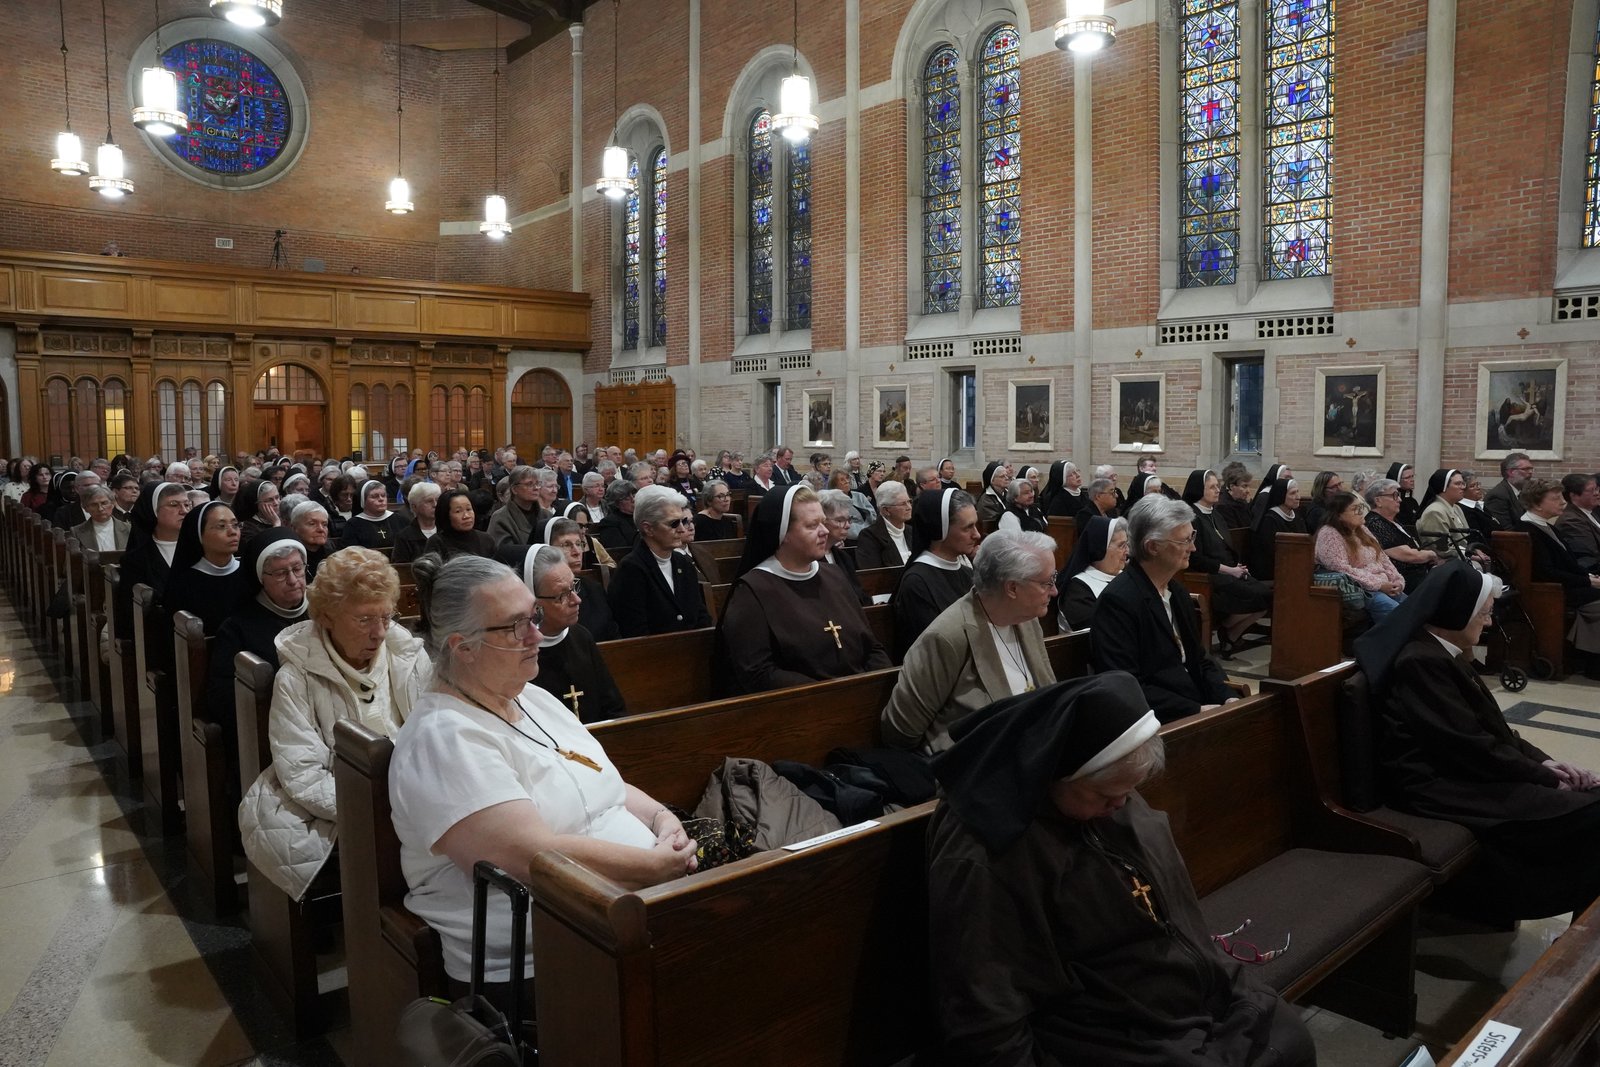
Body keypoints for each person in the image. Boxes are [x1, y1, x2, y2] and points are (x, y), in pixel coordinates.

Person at [927, 674, 1316, 1066]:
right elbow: (983, 1004)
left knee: (1289, 1038)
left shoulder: (1101, 797)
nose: (1120, 804)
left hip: (1181, 989)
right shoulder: (983, 856)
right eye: (1105, 796)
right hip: (1100, 1023)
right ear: (1054, 772)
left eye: (1127, 792)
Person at [387, 555, 695, 1003]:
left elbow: (603, 783)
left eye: (533, 614)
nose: (538, 632)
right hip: (546, 952)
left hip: (621, 911)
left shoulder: (531, 697)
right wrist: (653, 868)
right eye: (516, 625)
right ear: (462, 646)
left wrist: (665, 822)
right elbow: (528, 856)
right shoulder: (444, 739)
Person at [1355, 562, 1600, 919]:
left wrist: (1547, 763)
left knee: (1590, 800)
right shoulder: (1420, 661)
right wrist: (1546, 778)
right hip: (1440, 787)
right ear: (1457, 611)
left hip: (1463, 771)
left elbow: (1494, 731)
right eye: (1484, 614)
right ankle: (1577, 950)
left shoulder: (1437, 651)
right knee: (1590, 813)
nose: (1488, 623)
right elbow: (1467, 746)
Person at [239, 547, 432, 903]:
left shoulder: (408, 656)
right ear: (326, 617)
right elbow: (301, 772)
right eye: (363, 620)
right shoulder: (296, 678)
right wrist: (376, 809)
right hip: (343, 801)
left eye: (386, 617)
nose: (379, 633)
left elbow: (437, 737)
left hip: (414, 795)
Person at [881, 531, 1058, 754]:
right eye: (1047, 582)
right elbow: (900, 731)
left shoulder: (1026, 619)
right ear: (1012, 588)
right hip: (974, 768)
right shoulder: (947, 637)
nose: (1054, 590)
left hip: (1031, 750)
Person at [717, 486, 890, 693]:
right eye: (812, 525)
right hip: (804, 709)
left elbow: (871, 646)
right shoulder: (752, 591)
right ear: (782, 534)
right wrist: (834, 695)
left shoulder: (834, 575)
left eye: (823, 522)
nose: (824, 531)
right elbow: (759, 672)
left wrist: (879, 683)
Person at [1091, 496, 1236, 722]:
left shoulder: (1177, 593)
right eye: (1184, 541)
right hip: (1156, 721)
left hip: (1194, 710)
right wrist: (1194, 711)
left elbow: (1199, 660)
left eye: (1192, 537)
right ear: (1152, 547)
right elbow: (1127, 684)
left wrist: (1227, 697)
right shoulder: (1119, 602)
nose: (1193, 547)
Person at [205, 531, 309, 786]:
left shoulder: (326, 610)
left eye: (297, 568)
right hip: (272, 734)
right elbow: (222, 696)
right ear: (261, 578)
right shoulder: (238, 627)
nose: (294, 580)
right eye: (281, 573)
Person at [522, 545, 626, 722]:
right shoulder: (520, 652)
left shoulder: (581, 636)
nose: (577, 600)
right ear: (532, 602)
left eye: (574, 587)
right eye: (562, 596)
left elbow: (614, 707)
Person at [1516, 479, 1600, 678]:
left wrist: (1588, 576)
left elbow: (1568, 563)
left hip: (1565, 586)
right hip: (1551, 591)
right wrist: (1588, 581)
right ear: (1537, 504)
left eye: (1562, 497)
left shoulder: (1548, 527)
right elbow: (1547, 572)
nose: (1563, 502)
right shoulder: (1527, 531)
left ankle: (1586, 657)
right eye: (1556, 498)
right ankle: (1592, 662)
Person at [1182, 469, 1272, 652]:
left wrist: (1235, 566)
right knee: (1257, 595)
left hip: (1228, 571)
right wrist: (1229, 570)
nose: (1217, 490)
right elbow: (1196, 559)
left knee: (1267, 594)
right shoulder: (1192, 517)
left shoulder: (1215, 514)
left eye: (1218, 486)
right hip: (1209, 576)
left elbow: (1224, 547)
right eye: (1212, 487)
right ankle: (1227, 629)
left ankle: (1230, 633)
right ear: (1199, 489)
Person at [607, 486, 712, 637]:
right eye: (673, 523)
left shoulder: (683, 562)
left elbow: (700, 615)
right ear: (648, 528)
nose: (682, 529)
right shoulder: (631, 569)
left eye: (683, 521)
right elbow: (635, 632)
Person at [893, 489, 981, 660]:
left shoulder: (967, 572)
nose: (976, 534)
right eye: (968, 527)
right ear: (941, 530)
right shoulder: (916, 582)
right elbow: (932, 650)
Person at [1314, 491, 1408, 626]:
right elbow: (1341, 569)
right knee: (1394, 611)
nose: (1360, 512)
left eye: (1361, 507)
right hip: (1360, 588)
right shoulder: (1329, 533)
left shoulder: (1362, 529)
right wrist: (1379, 585)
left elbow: (1383, 558)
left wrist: (1397, 580)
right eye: (1354, 509)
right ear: (1339, 515)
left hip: (1382, 583)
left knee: (1413, 608)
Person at [115, 481, 192, 640]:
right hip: (160, 638)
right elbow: (133, 615)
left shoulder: (201, 549)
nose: (184, 511)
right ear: (153, 511)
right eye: (174, 504)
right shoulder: (136, 560)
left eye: (187, 504)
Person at [161, 500, 248, 635]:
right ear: (198, 534)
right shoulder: (183, 585)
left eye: (236, 525)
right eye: (221, 526)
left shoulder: (250, 573)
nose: (233, 532)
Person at [1362, 478, 1441, 594]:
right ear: (1378, 501)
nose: (1399, 499)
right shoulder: (1375, 524)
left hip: (1420, 573)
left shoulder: (1393, 521)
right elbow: (1408, 555)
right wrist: (1432, 554)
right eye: (1394, 495)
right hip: (1403, 580)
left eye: (1398, 495)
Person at [1056, 516, 1128, 632]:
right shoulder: (1077, 591)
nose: (1127, 552)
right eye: (1121, 546)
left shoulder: (1127, 577)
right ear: (1100, 547)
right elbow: (1103, 634)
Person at [1417, 469, 1489, 566]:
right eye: (1458, 484)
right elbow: (1441, 549)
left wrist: (1474, 550)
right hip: (1446, 565)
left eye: (1463, 484)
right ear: (1444, 487)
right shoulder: (1435, 512)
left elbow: (1465, 540)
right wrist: (1470, 555)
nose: (1463, 487)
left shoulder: (1456, 508)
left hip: (1461, 560)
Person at [1247, 478, 1306, 582]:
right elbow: (1271, 553)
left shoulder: (1296, 517)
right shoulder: (1270, 520)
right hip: (1273, 571)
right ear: (1281, 495)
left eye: (1298, 492)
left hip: (1293, 566)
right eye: (1292, 493)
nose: (1298, 497)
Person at [417, 488, 497, 561]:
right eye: (458, 511)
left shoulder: (486, 540)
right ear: (446, 515)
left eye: (469, 509)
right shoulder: (437, 542)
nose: (466, 516)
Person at [856, 480, 912, 568]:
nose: (909, 507)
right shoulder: (869, 536)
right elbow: (874, 576)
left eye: (909, 502)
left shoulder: (912, 531)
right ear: (886, 510)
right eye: (902, 504)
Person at [486, 466, 548, 547]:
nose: (536, 488)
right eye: (529, 484)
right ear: (514, 489)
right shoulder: (500, 518)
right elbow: (503, 552)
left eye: (537, 484)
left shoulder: (546, 515)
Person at [339, 479, 405, 550]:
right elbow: (351, 553)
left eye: (383, 495)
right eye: (375, 496)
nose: (381, 499)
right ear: (363, 501)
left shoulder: (400, 520)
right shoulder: (353, 525)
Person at [1554, 472, 1600, 573]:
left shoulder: (1591, 512)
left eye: (1596, 489)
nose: (1597, 493)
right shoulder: (1571, 521)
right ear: (1574, 495)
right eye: (1591, 490)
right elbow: (1589, 558)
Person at [70, 484, 130, 553]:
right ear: (86, 508)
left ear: (113, 504)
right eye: (94, 505)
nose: (100, 509)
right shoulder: (76, 532)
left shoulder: (128, 529)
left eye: (104, 503)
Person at [392, 481, 442, 563]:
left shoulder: (446, 531)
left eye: (437, 500)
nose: (435, 504)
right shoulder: (404, 537)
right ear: (414, 507)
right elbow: (402, 569)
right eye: (429, 501)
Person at [1484, 452, 1534, 529]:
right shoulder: (1498, 496)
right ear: (1510, 472)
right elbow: (1505, 531)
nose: (1530, 472)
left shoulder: (1522, 492)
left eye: (1531, 469)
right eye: (1525, 469)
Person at [232, 478, 283, 549]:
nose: (276, 503)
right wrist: (276, 524)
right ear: (256, 504)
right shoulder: (246, 528)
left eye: (277, 497)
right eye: (269, 500)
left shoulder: (284, 518)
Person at [290, 501, 334, 582]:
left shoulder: (335, 556)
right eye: (312, 523)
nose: (321, 529)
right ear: (294, 528)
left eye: (324, 524)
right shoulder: (287, 559)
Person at [591, 480, 638, 554]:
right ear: (616, 502)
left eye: (634, 495)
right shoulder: (609, 523)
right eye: (627, 498)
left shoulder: (641, 517)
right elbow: (618, 552)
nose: (633, 500)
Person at [1216, 462, 1254, 529]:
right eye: (1244, 486)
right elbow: (1235, 533)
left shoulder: (1242, 500)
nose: (1248, 491)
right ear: (1232, 486)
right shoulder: (1223, 506)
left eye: (1249, 486)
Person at [1386, 462, 1421, 528]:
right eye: (1407, 477)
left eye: (1412, 476)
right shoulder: (1392, 503)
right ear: (1397, 480)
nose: (1412, 480)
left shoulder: (1413, 501)